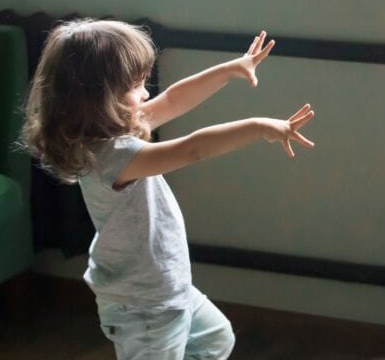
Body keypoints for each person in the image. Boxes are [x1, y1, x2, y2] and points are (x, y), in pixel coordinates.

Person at [22, 19, 315, 359]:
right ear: (100, 97)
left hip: (166, 290)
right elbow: (194, 149)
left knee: (215, 341)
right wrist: (258, 127)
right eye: (136, 85)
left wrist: (230, 70)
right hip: (144, 307)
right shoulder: (113, 156)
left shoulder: (111, 134)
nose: (146, 93)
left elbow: (174, 99)